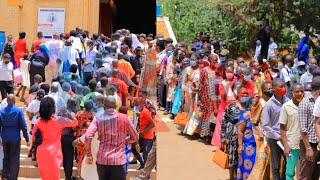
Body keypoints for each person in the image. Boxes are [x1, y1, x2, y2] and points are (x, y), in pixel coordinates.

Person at [85, 96, 139, 180]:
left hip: (102, 160)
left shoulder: (98, 119)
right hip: (118, 161)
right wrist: (124, 141)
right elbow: (135, 137)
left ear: (104, 106)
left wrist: (89, 154)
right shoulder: (124, 118)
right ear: (115, 106)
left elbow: (88, 136)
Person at [32, 96, 78, 180]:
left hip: (41, 152)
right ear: (53, 107)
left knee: (45, 177)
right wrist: (67, 112)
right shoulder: (59, 120)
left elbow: (34, 138)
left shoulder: (38, 121)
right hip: (54, 153)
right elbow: (75, 122)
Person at [262, 78, 289, 180]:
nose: (283, 88)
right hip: (275, 139)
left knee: (288, 162)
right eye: (281, 87)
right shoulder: (269, 105)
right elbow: (266, 125)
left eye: (284, 86)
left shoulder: (287, 101)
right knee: (276, 164)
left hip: (286, 137)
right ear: (274, 89)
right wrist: (278, 136)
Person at [221, 86, 248, 180]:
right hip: (231, 135)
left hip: (246, 136)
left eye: (246, 94)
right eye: (243, 94)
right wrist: (223, 136)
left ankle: (240, 176)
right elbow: (224, 120)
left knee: (243, 156)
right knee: (232, 157)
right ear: (238, 95)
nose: (245, 95)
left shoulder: (249, 107)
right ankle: (232, 177)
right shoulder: (231, 107)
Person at [0, 94, 29, 180]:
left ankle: (5, 175)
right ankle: (12, 177)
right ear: (14, 101)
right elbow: (23, 126)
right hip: (15, 137)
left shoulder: (1, 111)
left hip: (5, 137)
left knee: (6, 157)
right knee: (14, 158)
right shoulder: (18, 111)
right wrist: (27, 138)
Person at [279, 83, 304, 180]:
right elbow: (282, 128)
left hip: (304, 144)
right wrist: (285, 145)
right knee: (290, 172)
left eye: (302, 91)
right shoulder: (286, 107)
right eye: (297, 91)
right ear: (292, 93)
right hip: (292, 144)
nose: (300, 93)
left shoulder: (305, 105)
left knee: (303, 171)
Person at [300, 76, 320, 179]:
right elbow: (303, 129)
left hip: (318, 144)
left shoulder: (318, 101)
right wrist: (308, 148)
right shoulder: (306, 102)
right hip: (309, 144)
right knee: (305, 175)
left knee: (315, 175)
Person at [212, 65, 237, 147]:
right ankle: (220, 145)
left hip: (235, 107)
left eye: (231, 72)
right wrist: (226, 86)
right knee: (221, 125)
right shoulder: (222, 83)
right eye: (227, 72)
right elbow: (223, 96)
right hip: (224, 106)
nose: (229, 74)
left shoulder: (237, 81)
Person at [199, 54, 222, 142]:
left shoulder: (218, 71)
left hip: (217, 97)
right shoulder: (204, 71)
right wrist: (200, 99)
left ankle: (214, 135)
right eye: (214, 61)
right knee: (207, 115)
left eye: (217, 60)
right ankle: (206, 135)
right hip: (206, 97)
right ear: (209, 61)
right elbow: (201, 85)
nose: (216, 62)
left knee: (215, 115)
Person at [237, 97, 256, 180]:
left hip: (258, 146)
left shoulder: (261, 115)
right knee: (247, 167)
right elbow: (240, 131)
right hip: (248, 146)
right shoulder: (245, 116)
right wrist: (240, 146)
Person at [74, 100, 94, 177]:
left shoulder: (78, 114)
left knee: (79, 156)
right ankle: (86, 176)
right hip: (88, 137)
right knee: (87, 155)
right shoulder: (92, 115)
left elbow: (74, 126)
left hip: (79, 136)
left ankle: (79, 175)